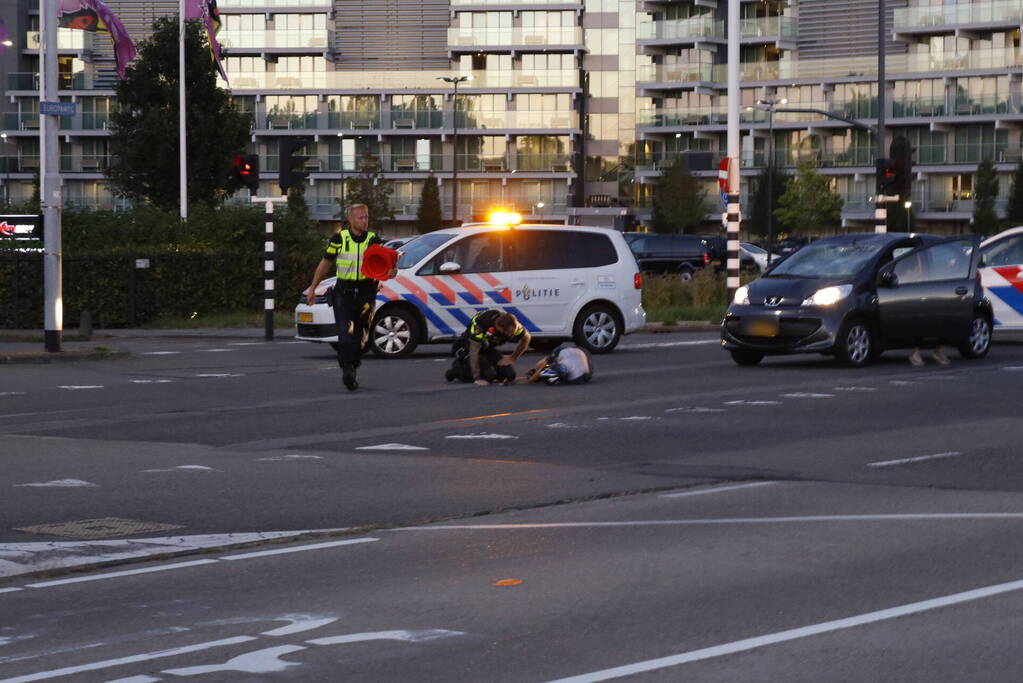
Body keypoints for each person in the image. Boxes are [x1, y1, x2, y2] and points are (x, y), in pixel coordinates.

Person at [305, 204, 395, 390]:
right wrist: (313, 288)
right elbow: (325, 264)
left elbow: (386, 266)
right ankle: (347, 369)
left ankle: (353, 365)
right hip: (343, 293)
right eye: (361, 217)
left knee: (362, 338)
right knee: (346, 334)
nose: (365, 220)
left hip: (366, 293)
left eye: (366, 217)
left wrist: (392, 271)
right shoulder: (339, 238)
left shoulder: (373, 240)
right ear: (351, 219)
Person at [446, 309, 531, 386]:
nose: (510, 335)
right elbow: (474, 351)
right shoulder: (482, 323)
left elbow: (527, 338)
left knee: (510, 375)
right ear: (498, 327)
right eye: (508, 333)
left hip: (487, 349)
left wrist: (513, 357)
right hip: (468, 348)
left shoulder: (513, 325)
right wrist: (477, 378)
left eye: (512, 333)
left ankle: (490, 372)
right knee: (488, 376)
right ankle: (456, 371)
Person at [523, 343, 593, 385]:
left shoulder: (558, 352)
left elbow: (543, 366)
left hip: (575, 379)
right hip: (586, 375)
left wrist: (531, 379)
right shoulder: (569, 351)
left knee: (545, 372)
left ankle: (554, 378)